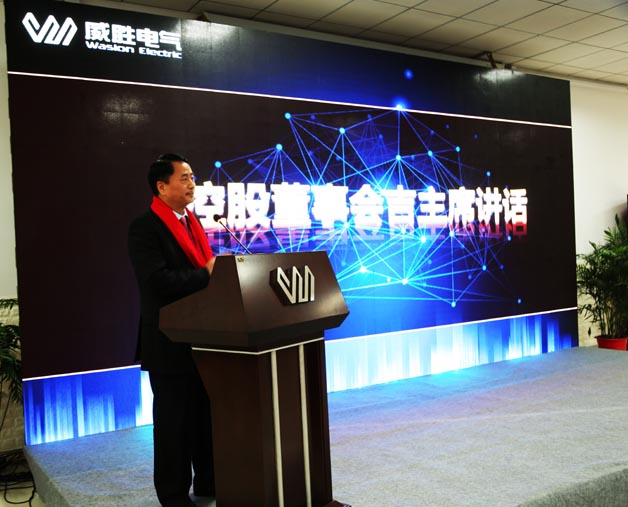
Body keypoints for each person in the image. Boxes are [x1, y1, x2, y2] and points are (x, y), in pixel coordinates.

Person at [128, 153, 216, 507]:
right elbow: (157, 282)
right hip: (168, 341)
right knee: (173, 424)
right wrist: (207, 275)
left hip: (204, 337)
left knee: (204, 417)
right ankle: (174, 495)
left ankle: (209, 482)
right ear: (162, 187)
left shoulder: (192, 222)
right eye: (184, 178)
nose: (192, 183)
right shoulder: (145, 227)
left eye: (193, 176)